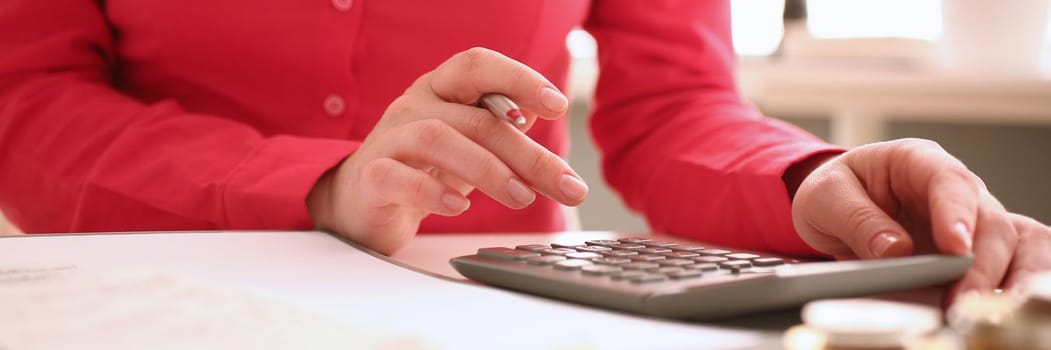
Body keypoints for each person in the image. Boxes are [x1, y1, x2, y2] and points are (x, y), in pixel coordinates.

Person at [0, 1, 1046, 304]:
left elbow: (672, 105)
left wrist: (807, 178)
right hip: (154, 308)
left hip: (499, 318)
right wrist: (317, 185)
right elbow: (28, 104)